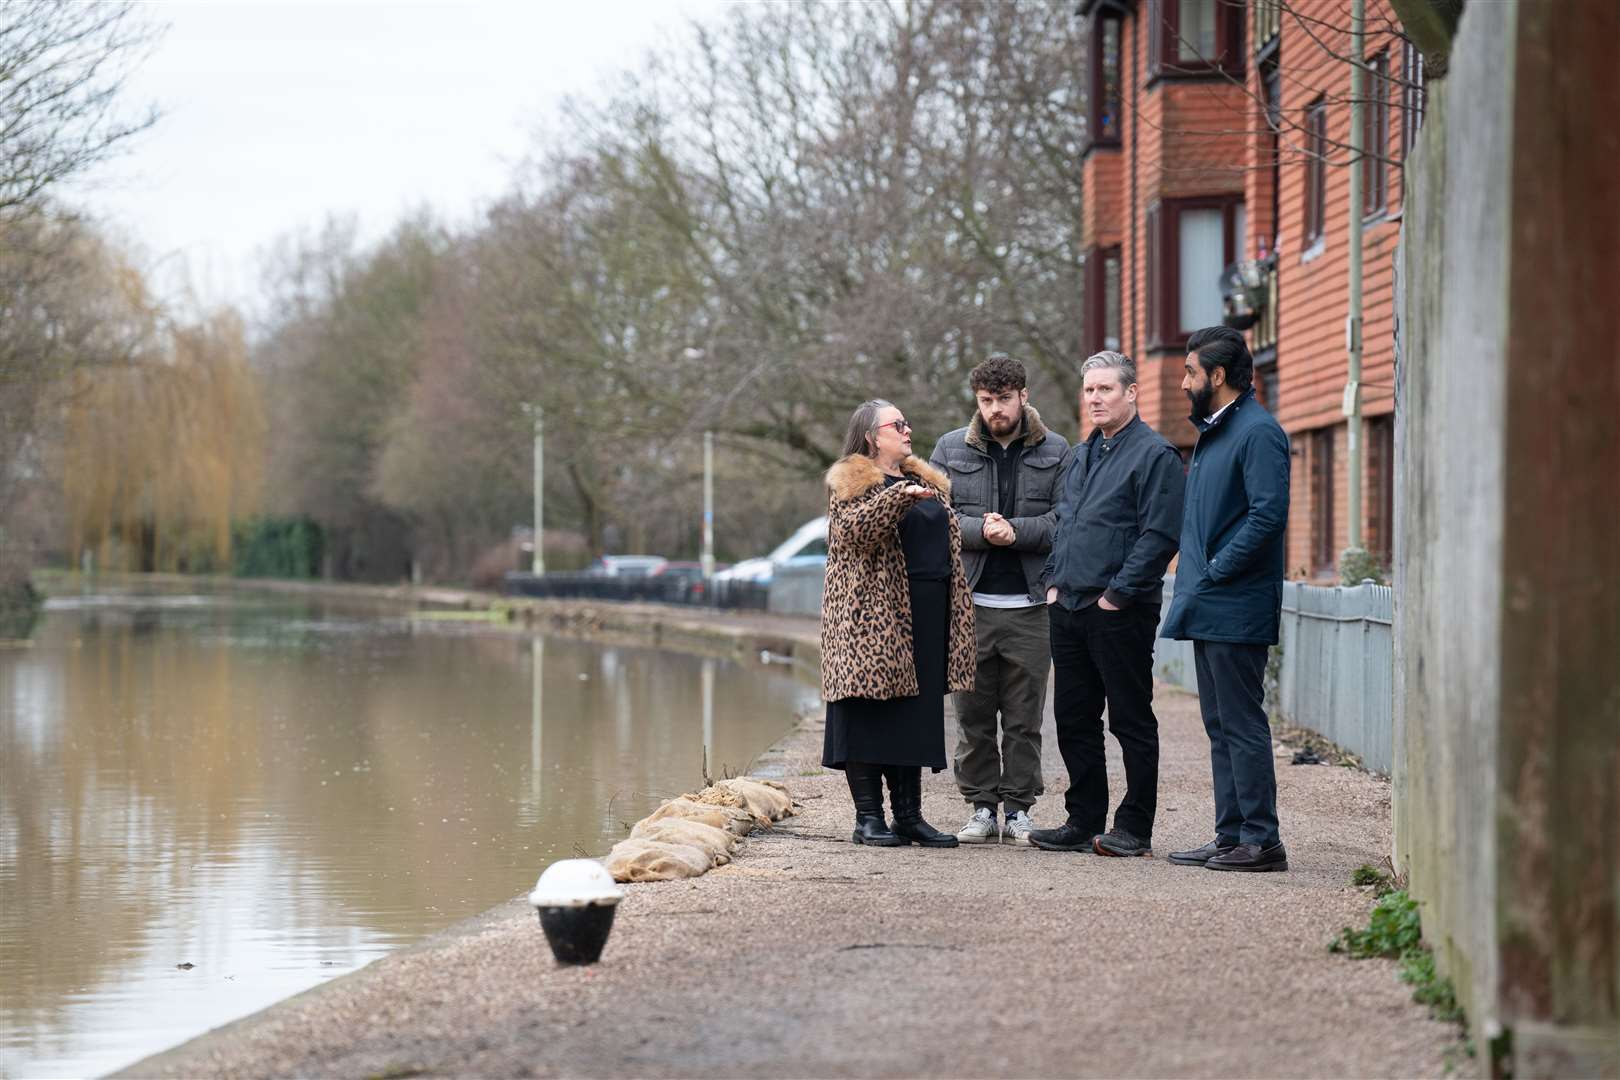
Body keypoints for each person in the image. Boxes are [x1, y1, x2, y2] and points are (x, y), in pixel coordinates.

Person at [1027, 351, 1186, 858]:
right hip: (1068, 607)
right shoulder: (1079, 455)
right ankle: (1083, 819)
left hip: (1120, 611)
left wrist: (1117, 596)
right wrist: (1052, 583)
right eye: (1089, 390)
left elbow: (1160, 536)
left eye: (1106, 389)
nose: (1095, 398)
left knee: (1130, 720)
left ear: (1132, 393)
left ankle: (1135, 828)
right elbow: (1065, 524)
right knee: (1074, 719)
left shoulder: (1156, 455)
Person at [1162, 326, 1292, 873]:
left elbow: (1268, 513)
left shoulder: (1258, 432)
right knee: (1219, 724)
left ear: (1217, 376)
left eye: (1191, 371)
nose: (1184, 380)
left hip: (1235, 601)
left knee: (1241, 723)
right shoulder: (1217, 432)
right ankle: (1231, 834)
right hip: (1211, 600)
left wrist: (1217, 568)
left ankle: (1262, 841)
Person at [820, 399, 977, 848]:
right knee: (869, 715)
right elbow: (856, 533)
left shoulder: (922, 481)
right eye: (898, 424)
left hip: (925, 611)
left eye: (907, 423)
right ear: (873, 436)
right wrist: (895, 499)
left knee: (914, 716)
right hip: (871, 618)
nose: (908, 430)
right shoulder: (852, 480)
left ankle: (909, 816)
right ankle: (868, 819)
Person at [928, 355, 1068, 845]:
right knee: (971, 716)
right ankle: (981, 806)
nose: (994, 410)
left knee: (1025, 717)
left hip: (1031, 607)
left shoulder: (1057, 449)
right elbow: (936, 517)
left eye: (1003, 399)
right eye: (986, 401)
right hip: (969, 605)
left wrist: (1016, 532)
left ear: (1023, 396)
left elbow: (1063, 521)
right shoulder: (949, 449)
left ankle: (1019, 808)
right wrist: (983, 532)